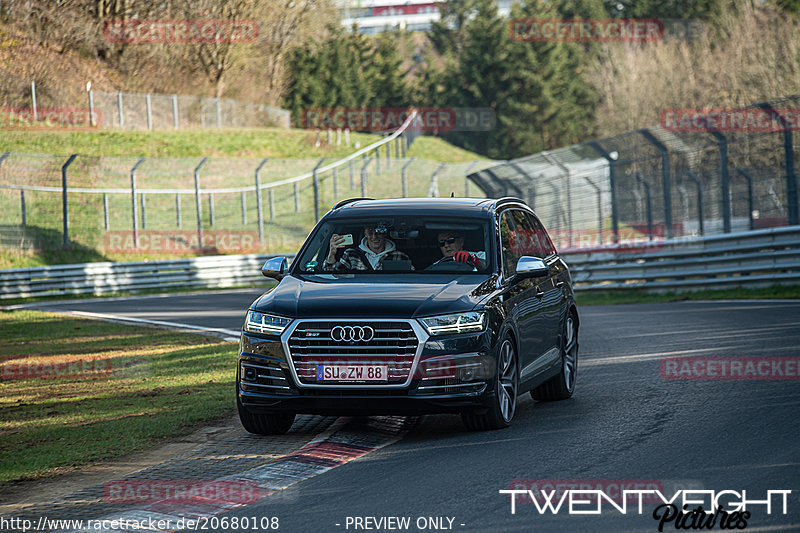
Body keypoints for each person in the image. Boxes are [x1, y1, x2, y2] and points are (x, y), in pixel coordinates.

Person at [323, 225, 411, 271]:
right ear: (365, 234)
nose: (374, 237)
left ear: (384, 234)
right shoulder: (351, 254)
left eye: (378, 232)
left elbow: (411, 280)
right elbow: (333, 276)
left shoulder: (400, 257)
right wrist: (332, 254)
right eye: (370, 232)